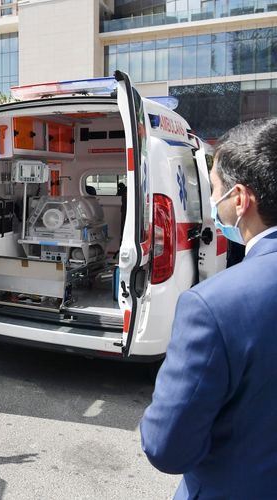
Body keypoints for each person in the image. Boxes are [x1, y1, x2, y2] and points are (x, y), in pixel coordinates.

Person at [140, 118, 277, 499]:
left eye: (212, 190)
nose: (212, 204)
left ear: (240, 198)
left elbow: (167, 447)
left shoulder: (213, 306)